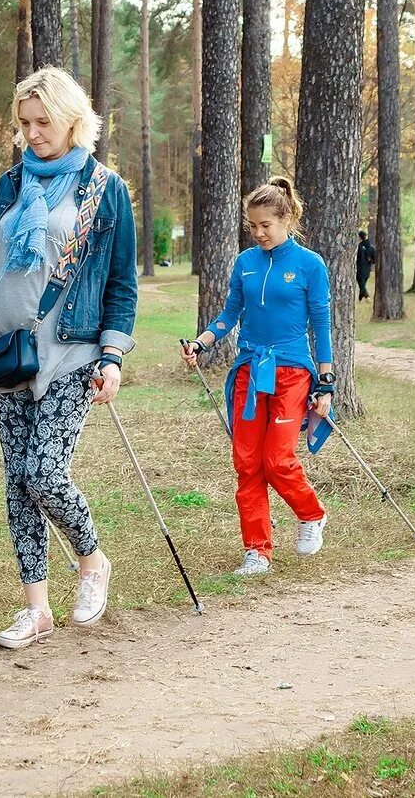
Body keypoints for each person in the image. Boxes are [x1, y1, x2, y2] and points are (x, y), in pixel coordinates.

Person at [0, 66, 137, 650]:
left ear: (73, 119)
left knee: (45, 474)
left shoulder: (104, 190)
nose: (32, 134)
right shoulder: (10, 184)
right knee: (16, 484)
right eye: (24, 124)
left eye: (42, 122)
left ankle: (93, 560)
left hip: (71, 352)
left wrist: (113, 355)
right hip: (10, 353)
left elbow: (121, 285)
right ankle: (36, 608)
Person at [181, 177, 334, 576]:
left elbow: (321, 324)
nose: (259, 232)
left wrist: (327, 380)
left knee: (277, 459)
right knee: (247, 462)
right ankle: (257, 551)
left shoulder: (309, 264)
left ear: (286, 219)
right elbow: (229, 314)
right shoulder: (245, 262)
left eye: (266, 224)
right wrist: (202, 342)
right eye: (252, 226)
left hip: (292, 372)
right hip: (249, 370)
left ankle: (311, 514)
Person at [356, 229, 376, 300]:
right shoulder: (371, 247)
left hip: (359, 269)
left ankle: (366, 297)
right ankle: (361, 298)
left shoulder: (359, 246)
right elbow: (375, 259)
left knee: (362, 286)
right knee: (362, 285)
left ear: (359, 237)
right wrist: (370, 261)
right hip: (367, 269)